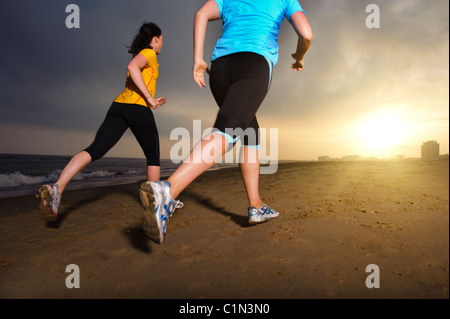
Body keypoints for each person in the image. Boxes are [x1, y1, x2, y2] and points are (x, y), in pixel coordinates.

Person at [140, 0, 313, 244]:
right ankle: (168, 190)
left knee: (249, 132)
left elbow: (201, 14)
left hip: (220, 69)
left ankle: (256, 205)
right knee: (228, 132)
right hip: (253, 65)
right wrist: (299, 56)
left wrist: (198, 59)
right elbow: (306, 34)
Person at [36, 22, 175, 222]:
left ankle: (57, 188)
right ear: (155, 39)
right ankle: (156, 208)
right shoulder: (149, 53)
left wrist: (151, 96)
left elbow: (135, 73)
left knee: (95, 149)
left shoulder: (143, 55)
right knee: (153, 155)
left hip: (119, 106)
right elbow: (132, 67)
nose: (163, 43)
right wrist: (150, 99)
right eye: (162, 39)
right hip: (138, 108)